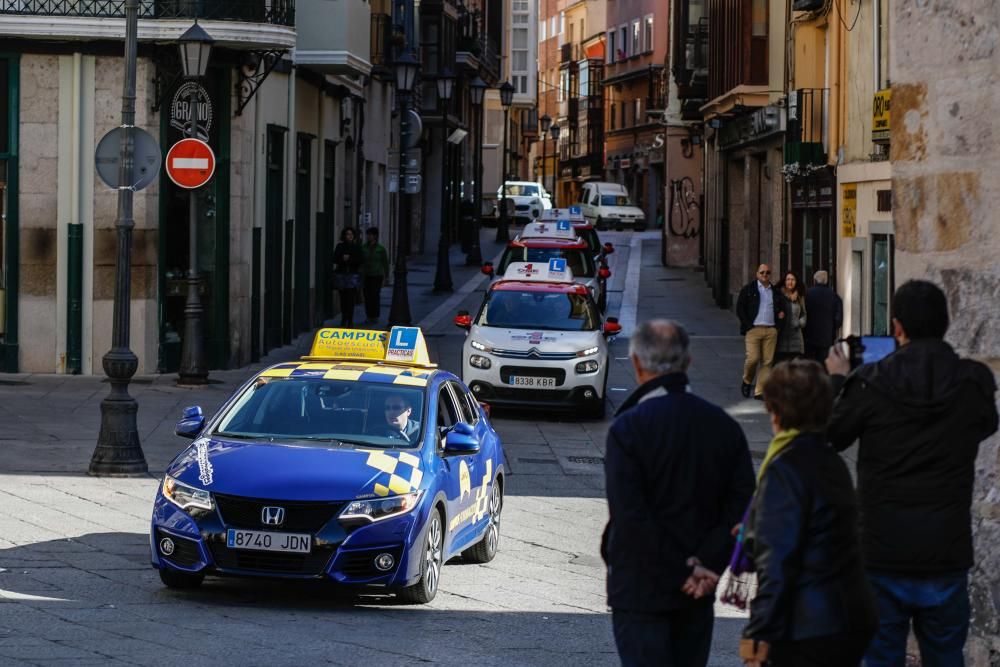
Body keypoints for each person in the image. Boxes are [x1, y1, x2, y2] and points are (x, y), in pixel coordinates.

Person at [825, 280, 999, 667]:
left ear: (897, 327)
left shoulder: (869, 382)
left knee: (880, 656)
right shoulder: (972, 382)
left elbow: (831, 436)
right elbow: (987, 423)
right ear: (945, 323)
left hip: (882, 551)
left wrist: (838, 378)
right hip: (945, 549)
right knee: (945, 655)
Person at [602, 319, 755, 667]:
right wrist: (706, 564)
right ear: (688, 363)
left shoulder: (629, 427)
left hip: (642, 586)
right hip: (698, 588)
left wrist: (681, 570)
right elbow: (742, 505)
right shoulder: (723, 426)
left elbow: (630, 515)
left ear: (637, 364)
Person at [739, 360, 877, 667]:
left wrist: (757, 634)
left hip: (809, 625)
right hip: (850, 615)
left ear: (776, 412)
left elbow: (778, 562)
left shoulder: (785, 469)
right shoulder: (830, 461)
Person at [736, 264, 788, 399]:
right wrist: (748, 326)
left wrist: (778, 325)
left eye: (768, 272)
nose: (765, 275)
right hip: (753, 329)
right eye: (762, 272)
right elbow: (740, 308)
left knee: (767, 362)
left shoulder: (775, 291)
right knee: (753, 359)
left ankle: (760, 391)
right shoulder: (749, 289)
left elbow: (783, 309)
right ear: (757, 274)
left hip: (771, 330)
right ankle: (747, 381)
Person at [803, 270, 842, 363]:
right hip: (826, 338)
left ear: (814, 281)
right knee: (823, 365)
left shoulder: (807, 294)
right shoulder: (834, 296)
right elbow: (838, 320)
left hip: (809, 337)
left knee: (810, 365)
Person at [333, 228, 362, 328]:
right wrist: (342, 258)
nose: (349, 236)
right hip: (342, 276)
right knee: (343, 299)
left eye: (351, 234)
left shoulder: (356, 247)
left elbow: (360, 260)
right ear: (344, 236)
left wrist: (349, 259)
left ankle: (350, 319)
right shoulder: (340, 246)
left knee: (350, 299)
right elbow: (335, 258)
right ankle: (344, 318)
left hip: (352, 276)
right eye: (347, 234)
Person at [775, 271, 807, 363]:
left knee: (795, 369)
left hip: (796, 339)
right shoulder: (779, 296)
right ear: (784, 281)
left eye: (793, 279)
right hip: (781, 339)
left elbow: (804, 314)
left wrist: (800, 322)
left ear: (796, 282)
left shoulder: (800, 297)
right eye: (788, 279)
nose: (790, 282)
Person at [360, 227, 390, 325]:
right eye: (368, 234)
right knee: (367, 296)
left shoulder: (380, 249)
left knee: (375, 296)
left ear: (375, 236)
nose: (369, 236)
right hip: (366, 275)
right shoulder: (363, 248)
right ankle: (369, 316)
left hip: (377, 275)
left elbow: (385, 262)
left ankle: (375, 316)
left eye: (371, 235)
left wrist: (386, 276)